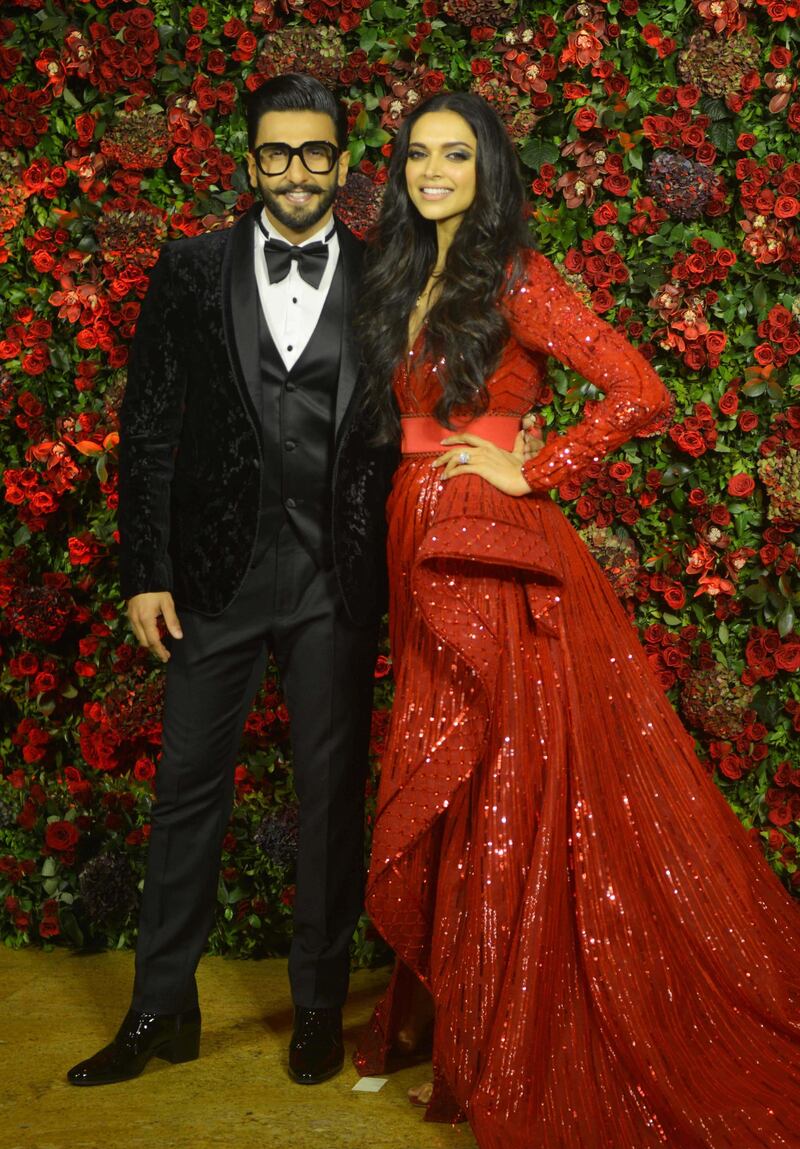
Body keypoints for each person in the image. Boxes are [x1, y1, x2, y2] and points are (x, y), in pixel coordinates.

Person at [352, 91, 800, 1148]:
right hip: (417, 538)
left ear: (486, 169)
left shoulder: (514, 276)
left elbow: (639, 392)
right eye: (418, 155)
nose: (431, 171)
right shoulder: (404, 274)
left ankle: (520, 1024)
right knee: (462, 784)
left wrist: (531, 466)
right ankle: (466, 1014)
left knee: (505, 781)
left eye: (453, 156)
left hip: (492, 555)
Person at [67, 73, 394, 1088]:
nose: (294, 171)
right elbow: (152, 426)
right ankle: (158, 1010)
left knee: (333, 796)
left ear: (341, 164)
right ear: (248, 161)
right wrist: (144, 572)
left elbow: (403, 433)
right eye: (274, 153)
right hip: (212, 574)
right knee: (183, 792)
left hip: (335, 578)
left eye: (314, 153)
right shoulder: (189, 268)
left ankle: (313, 1009)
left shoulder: (386, 277)